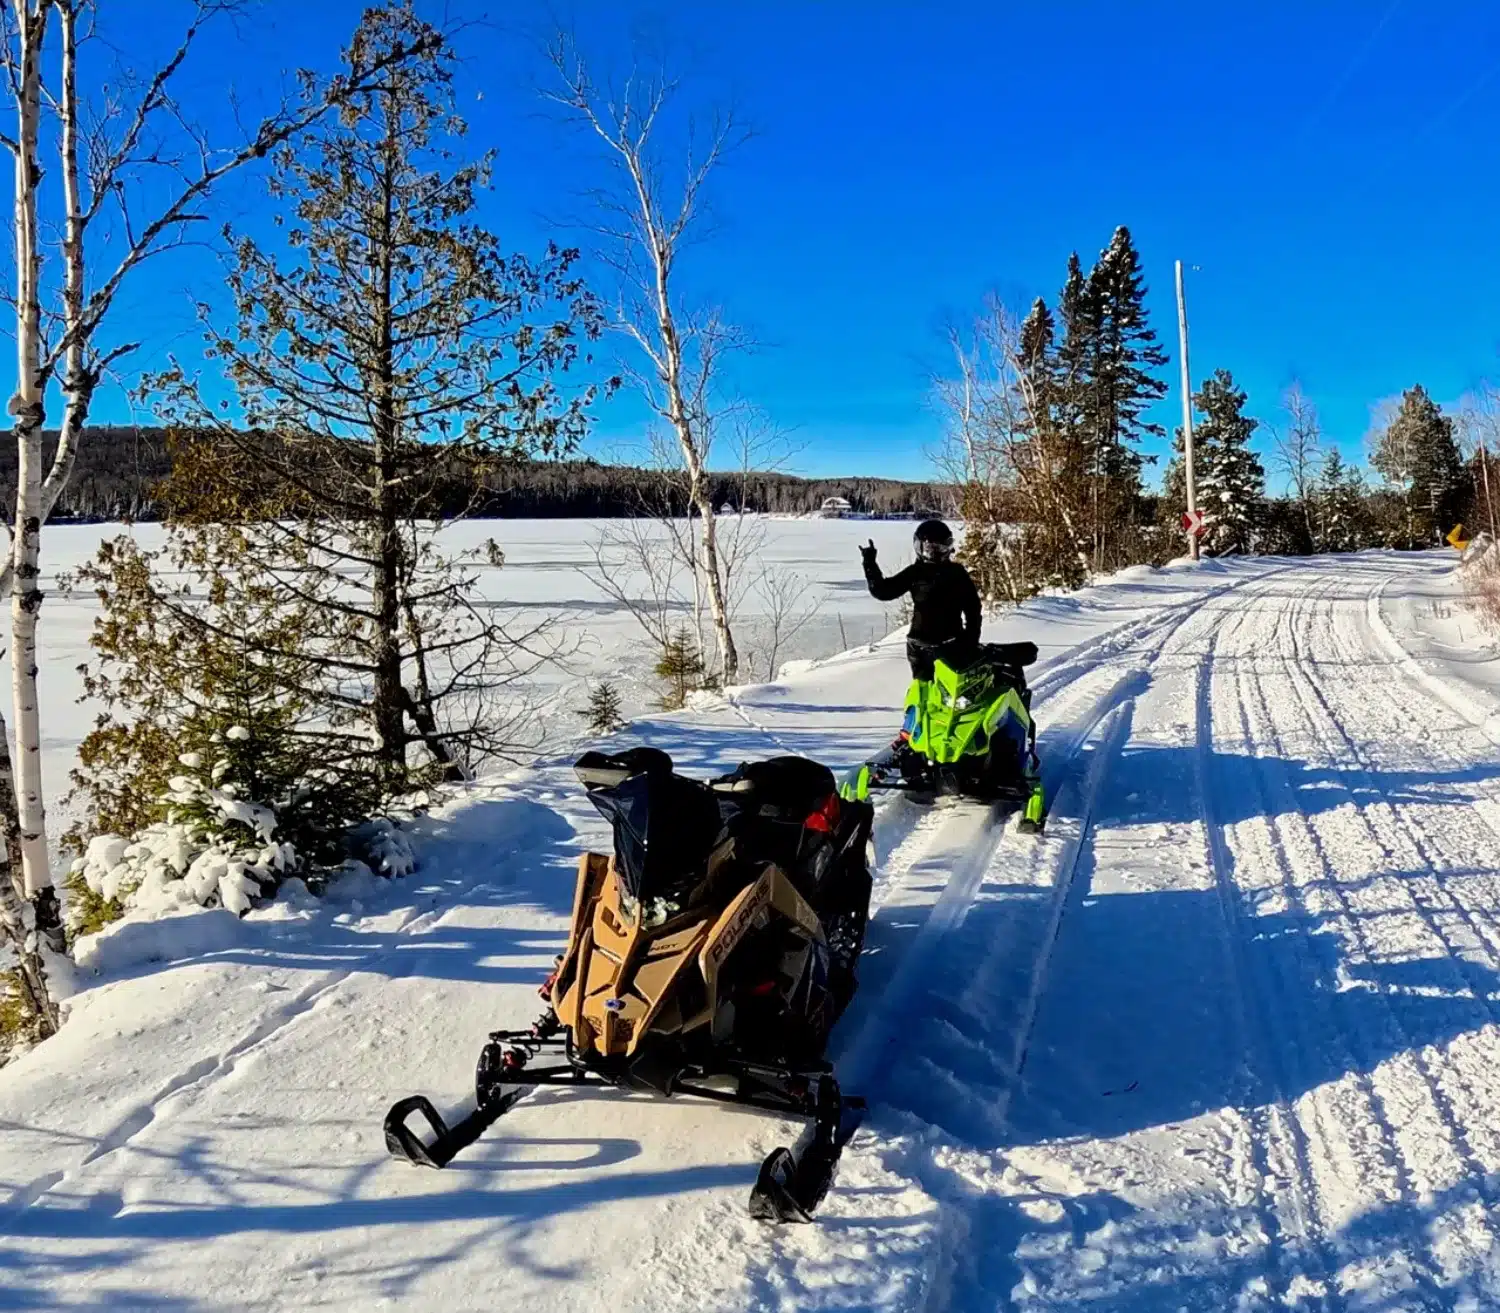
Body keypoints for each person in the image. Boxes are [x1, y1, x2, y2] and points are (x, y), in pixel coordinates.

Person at [861, 519, 981, 680]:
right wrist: (870, 564)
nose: (936, 552)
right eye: (931, 548)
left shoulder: (956, 573)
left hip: (951, 645)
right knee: (923, 694)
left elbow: (973, 609)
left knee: (952, 696)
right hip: (919, 645)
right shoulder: (916, 572)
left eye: (942, 547)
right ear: (920, 547)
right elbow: (883, 591)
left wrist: (971, 639)